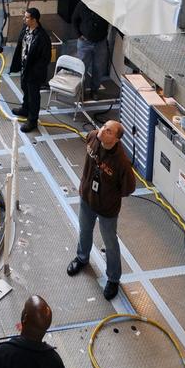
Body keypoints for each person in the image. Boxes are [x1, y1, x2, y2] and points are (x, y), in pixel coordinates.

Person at [67, 119, 136, 300]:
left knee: (110, 243)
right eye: (104, 126)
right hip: (87, 198)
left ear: (116, 139)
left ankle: (113, 279)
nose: (103, 130)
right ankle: (82, 258)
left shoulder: (121, 162)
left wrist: (109, 195)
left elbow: (129, 187)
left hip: (107, 208)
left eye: (109, 131)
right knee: (84, 230)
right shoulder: (92, 137)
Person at [9, 7, 52, 133]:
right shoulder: (26, 29)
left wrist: (35, 71)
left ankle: (32, 120)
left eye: (27, 17)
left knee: (33, 96)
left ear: (34, 20)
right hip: (25, 68)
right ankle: (25, 109)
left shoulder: (42, 37)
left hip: (34, 72)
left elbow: (45, 58)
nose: (24, 19)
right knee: (25, 89)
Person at [71, 0, 109, 99]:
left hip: (100, 42)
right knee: (81, 67)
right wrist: (79, 35)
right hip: (84, 42)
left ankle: (94, 90)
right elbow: (74, 19)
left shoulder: (105, 5)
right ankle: (80, 91)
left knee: (98, 68)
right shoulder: (82, 4)